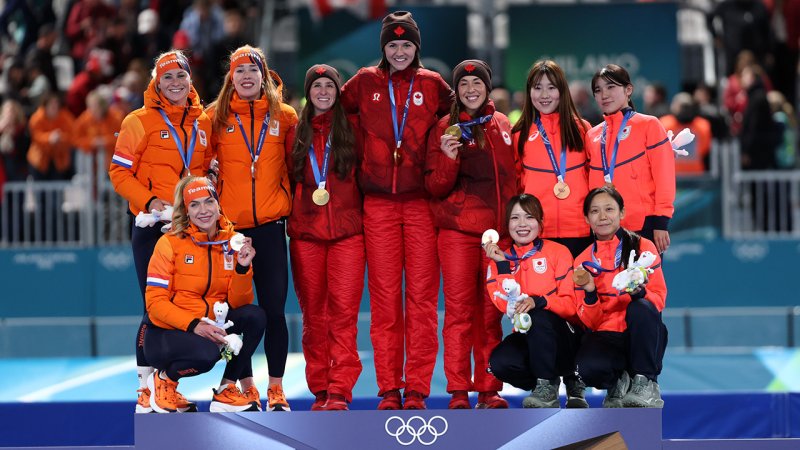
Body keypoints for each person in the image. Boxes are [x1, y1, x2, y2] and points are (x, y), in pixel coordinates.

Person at [340, 10, 454, 410]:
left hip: (422, 204)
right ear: (383, 48)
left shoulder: (432, 84)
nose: (400, 52)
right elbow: (330, 113)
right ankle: (389, 387)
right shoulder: (364, 82)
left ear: (416, 48)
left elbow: (464, 114)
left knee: (422, 301)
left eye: (407, 45)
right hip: (378, 205)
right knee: (385, 301)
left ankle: (417, 388)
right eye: (393, 45)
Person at [109, 50, 212, 413]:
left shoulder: (203, 121)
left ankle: (166, 387)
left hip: (189, 230)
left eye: (181, 75)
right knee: (154, 306)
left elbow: (205, 168)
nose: (175, 83)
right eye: (167, 77)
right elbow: (118, 172)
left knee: (182, 306)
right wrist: (151, 201)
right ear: (156, 82)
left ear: (190, 79)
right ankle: (143, 389)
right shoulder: (137, 121)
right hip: (152, 227)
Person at [206, 45, 298, 411]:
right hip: (230, 234)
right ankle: (243, 385)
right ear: (231, 78)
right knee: (232, 317)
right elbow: (199, 166)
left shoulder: (285, 116)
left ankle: (276, 389)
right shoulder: (214, 117)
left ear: (264, 75)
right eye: (239, 71)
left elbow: (296, 165)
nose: (246, 76)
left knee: (275, 313)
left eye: (253, 70)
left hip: (271, 230)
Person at [425, 59, 518, 410]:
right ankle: (459, 391)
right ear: (456, 91)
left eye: (477, 83)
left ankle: (490, 390)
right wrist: (448, 159)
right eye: (463, 85)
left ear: (487, 87)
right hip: (458, 233)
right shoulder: (444, 128)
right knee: (460, 314)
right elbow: (434, 186)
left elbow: (513, 177)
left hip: (499, 237)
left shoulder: (503, 124)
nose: (470, 89)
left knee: (492, 314)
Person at [145, 176, 265, 413]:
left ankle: (226, 389)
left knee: (255, 316)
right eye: (194, 204)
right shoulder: (169, 243)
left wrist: (242, 268)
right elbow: (155, 303)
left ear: (218, 204)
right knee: (207, 355)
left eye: (209, 202)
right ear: (186, 211)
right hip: (168, 333)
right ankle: (165, 379)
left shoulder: (231, 242)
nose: (203, 210)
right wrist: (194, 325)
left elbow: (239, 303)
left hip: (212, 323)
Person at [285, 64, 364, 411]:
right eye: (316, 86)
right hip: (306, 236)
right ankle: (320, 388)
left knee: (344, 315)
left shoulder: (353, 130)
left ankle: (340, 390)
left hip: (348, 235)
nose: (323, 92)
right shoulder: (293, 133)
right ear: (308, 92)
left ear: (337, 91)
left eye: (329, 86)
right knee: (314, 316)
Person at [484, 194, 586, 408]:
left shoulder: (558, 252)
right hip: (529, 336)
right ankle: (546, 383)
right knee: (500, 363)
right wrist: (503, 266)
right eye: (515, 218)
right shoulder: (498, 262)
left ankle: (568, 378)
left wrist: (540, 301)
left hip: (566, 339)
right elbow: (507, 308)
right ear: (507, 224)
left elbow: (571, 306)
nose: (522, 224)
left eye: (529, 217)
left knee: (537, 316)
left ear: (540, 223)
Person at [573, 186, 668, 408]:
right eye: (595, 211)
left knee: (641, 307)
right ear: (586, 218)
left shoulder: (643, 247)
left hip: (639, 333)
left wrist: (640, 293)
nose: (602, 216)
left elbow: (659, 300)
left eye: (609, 209)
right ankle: (618, 382)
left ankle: (645, 382)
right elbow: (590, 322)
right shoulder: (582, 261)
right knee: (586, 369)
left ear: (622, 213)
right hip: (607, 334)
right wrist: (590, 293)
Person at [586, 64, 675, 253]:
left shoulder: (649, 125)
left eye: (611, 87)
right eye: (598, 90)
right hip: (605, 228)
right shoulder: (592, 135)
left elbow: (664, 177)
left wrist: (661, 221)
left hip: (644, 226)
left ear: (628, 90)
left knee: (644, 275)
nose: (604, 94)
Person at [512, 60, 591, 258]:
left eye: (551, 87)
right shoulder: (519, 134)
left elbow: (593, 178)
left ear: (562, 91)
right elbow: (515, 184)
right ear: (529, 92)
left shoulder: (582, 129)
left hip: (580, 230)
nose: (544, 95)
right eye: (537, 88)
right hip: (537, 231)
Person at [658, 92, 712, 175]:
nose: (685, 110)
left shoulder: (703, 125)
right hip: (672, 175)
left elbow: (705, 149)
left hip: (696, 175)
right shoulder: (664, 124)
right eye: (683, 107)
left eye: (687, 107)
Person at [27, 92, 75, 180]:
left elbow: (72, 136)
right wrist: (49, 138)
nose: (54, 106)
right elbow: (35, 136)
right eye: (51, 104)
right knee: (39, 186)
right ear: (45, 105)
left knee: (58, 186)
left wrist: (60, 137)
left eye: (56, 103)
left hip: (59, 161)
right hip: (39, 160)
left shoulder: (66, 117)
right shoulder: (36, 118)